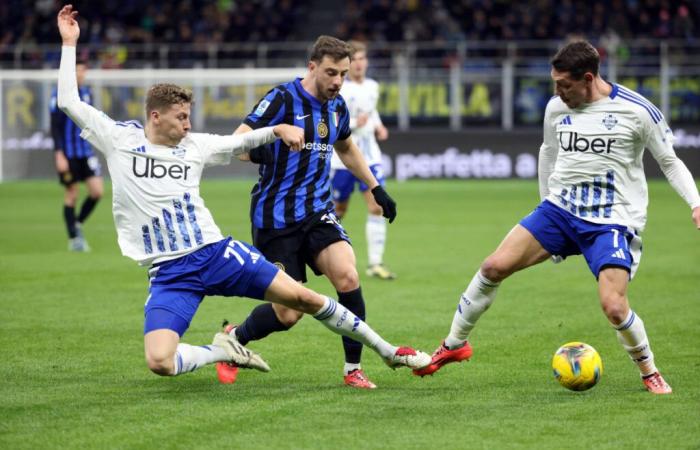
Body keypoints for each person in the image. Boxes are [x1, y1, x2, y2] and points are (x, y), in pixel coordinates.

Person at [56, 5, 430, 380]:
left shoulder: (197, 145)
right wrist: (69, 43)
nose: (188, 125)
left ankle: (384, 354)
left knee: (327, 287)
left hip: (220, 250)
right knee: (163, 361)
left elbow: (245, 143)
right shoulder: (120, 140)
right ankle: (227, 346)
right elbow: (69, 103)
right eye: (181, 117)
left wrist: (371, 183)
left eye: (343, 74)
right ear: (156, 116)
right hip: (183, 264)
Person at [414, 40, 700, 395]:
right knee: (492, 267)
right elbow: (547, 153)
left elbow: (670, 161)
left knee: (613, 306)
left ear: (589, 78)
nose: (558, 92)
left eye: (565, 85)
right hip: (560, 211)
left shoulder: (637, 111)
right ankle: (455, 344)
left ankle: (649, 370)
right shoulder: (555, 109)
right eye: (555, 84)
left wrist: (695, 202)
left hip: (612, 220)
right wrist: (545, 209)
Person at [221, 35, 398, 389]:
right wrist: (271, 143)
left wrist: (375, 187)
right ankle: (234, 337)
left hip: (317, 211)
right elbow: (235, 144)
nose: (337, 81)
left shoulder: (337, 106)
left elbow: (346, 147)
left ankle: (352, 370)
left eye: (343, 74)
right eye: (331, 72)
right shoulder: (282, 98)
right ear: (312, 66)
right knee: (288, 314)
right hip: (275, 220)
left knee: (348, 277)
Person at [330, 40, 395, 280]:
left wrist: (379, 126)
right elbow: (335, 123)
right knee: (338, 211)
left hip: (370, 157)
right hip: (343, 160)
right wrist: (357, 125)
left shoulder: (373, 86)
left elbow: (372, 110)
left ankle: (375, 263)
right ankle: (320, 250)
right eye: (354, 59)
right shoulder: (340, 89)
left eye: (362, 58)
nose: (359, 64)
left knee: (377, 206)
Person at [50, 55, 103, 251]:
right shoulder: (58, 95)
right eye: (77, 70)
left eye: (83, 70)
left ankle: (77, 223)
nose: (81, 74)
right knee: (72, 193)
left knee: (97, 192)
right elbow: (55, 127)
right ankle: (74, 239)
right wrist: (58, 154)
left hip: (85, 152)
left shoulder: (88, 93)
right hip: (68, 153)